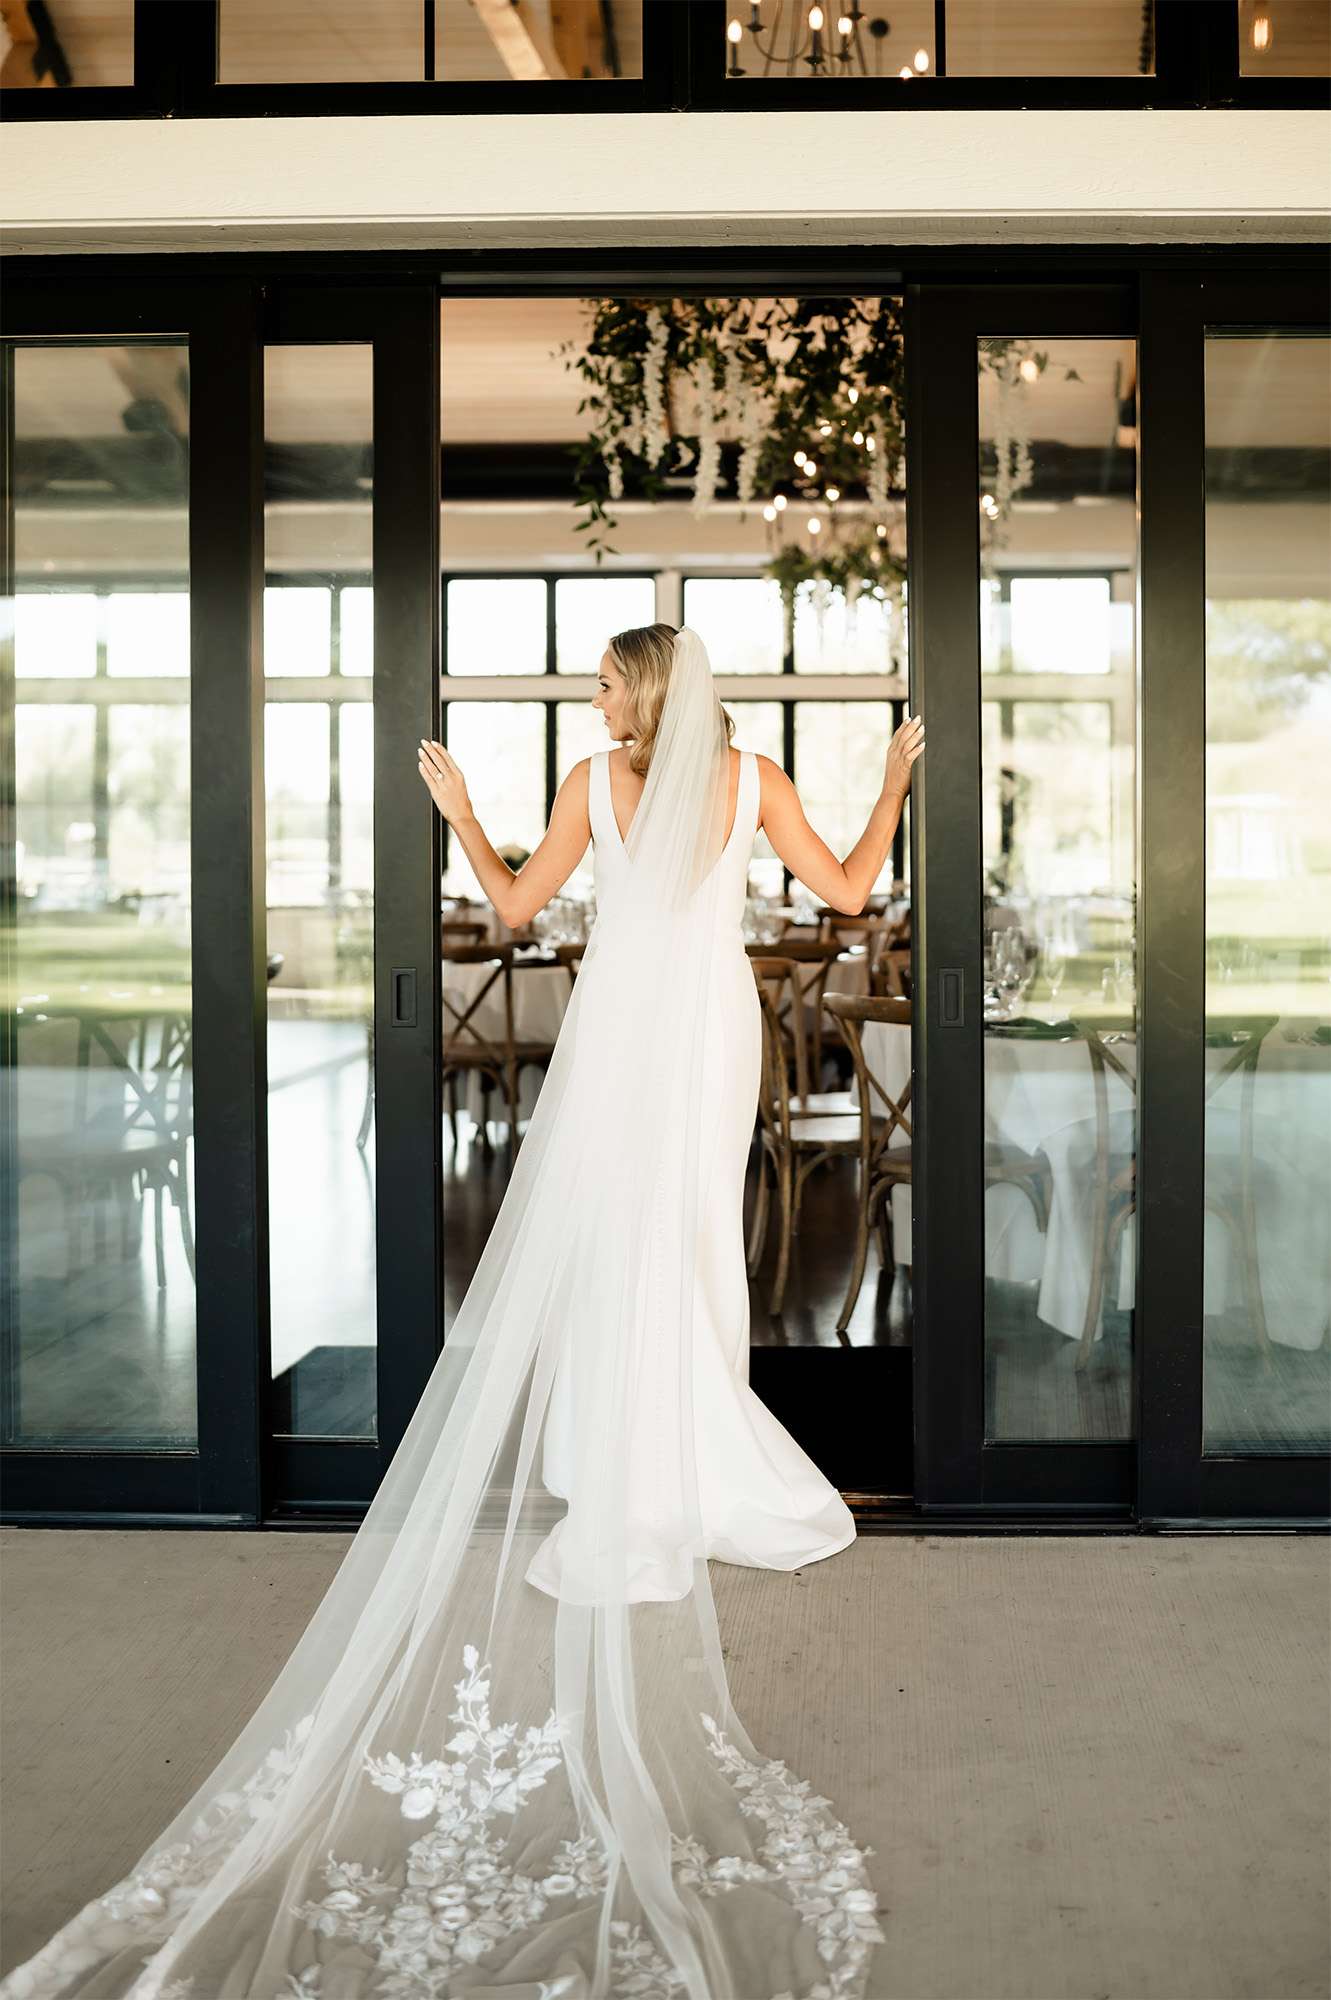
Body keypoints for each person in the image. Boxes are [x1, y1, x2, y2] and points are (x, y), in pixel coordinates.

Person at [2, 625, 922, 2000]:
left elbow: (509, 910)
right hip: (712, 1029)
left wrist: (466, 819)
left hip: (624, 1029)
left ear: (643, 692)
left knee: (625, 1245)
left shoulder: (590, 786)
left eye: (605, 681)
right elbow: (848, 894)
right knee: (686, 1245)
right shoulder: (756, 779)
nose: (594, 697)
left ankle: (635, 1462)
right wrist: (892, 784)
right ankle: (689, 1456)